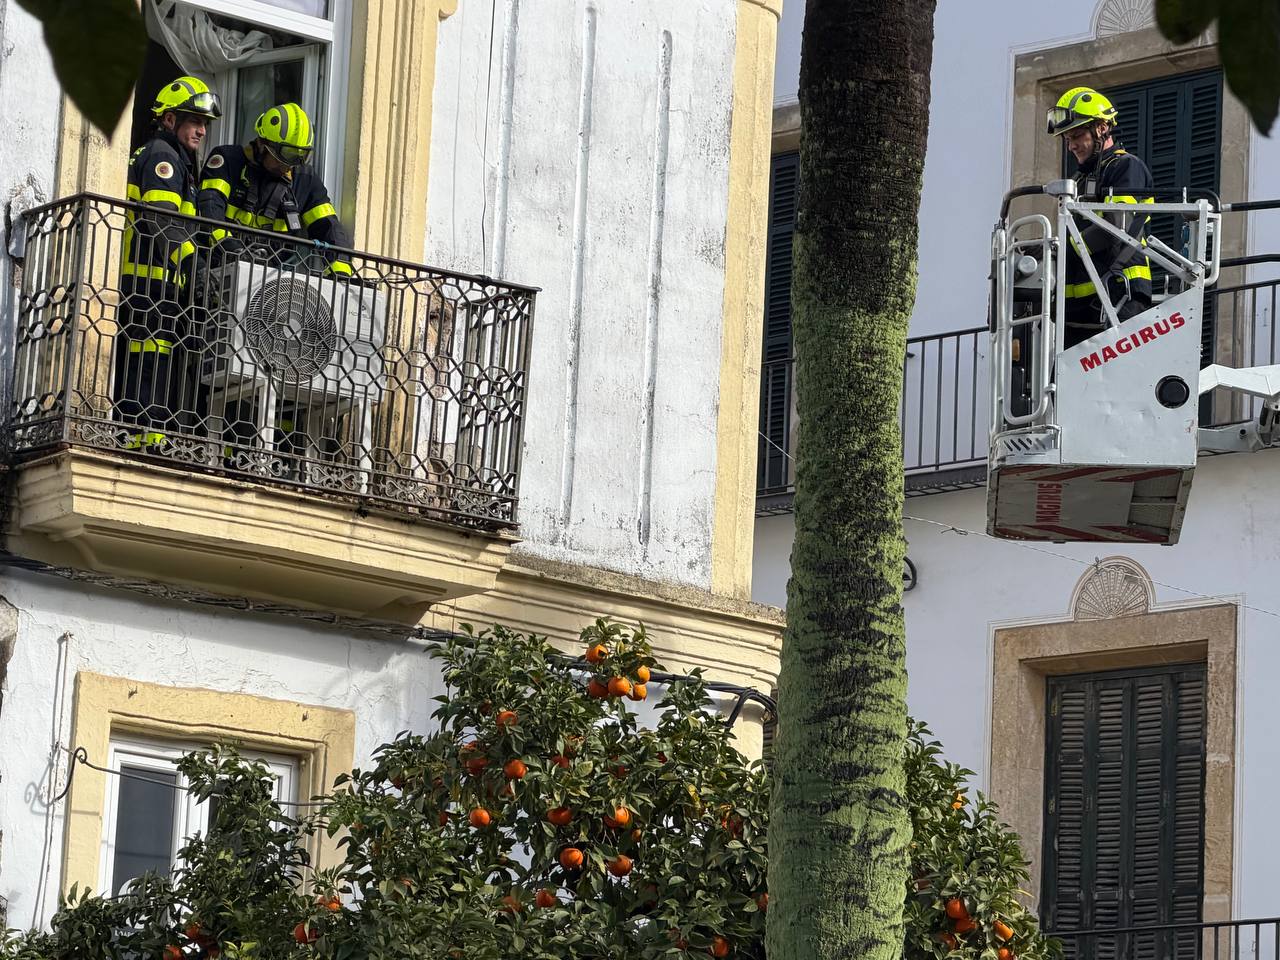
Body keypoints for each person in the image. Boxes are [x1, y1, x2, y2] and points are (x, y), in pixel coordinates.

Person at [117, 75, 221, 450]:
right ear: (169, 119)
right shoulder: (163, 155)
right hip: (149, 281)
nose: (201, 131)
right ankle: (142, 436)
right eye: (194, 122)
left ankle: (149, 433)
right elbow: (163, 220)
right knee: (149, 360)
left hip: (160, 282)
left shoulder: (177, 158)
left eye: (204, 124)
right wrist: (192, 264)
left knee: (158, 359)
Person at [1048, 86, 1155, 347]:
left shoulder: (1125, 166)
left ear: (1102, 128)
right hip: (1079, 311)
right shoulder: (1078, 180)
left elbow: (1116, 226)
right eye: (1067, 139)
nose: (1071, 145)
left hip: (1119, 299)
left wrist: (1062, 249)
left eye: (1077, 135)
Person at [197, 102, 352, 277]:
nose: (289, 166)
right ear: (262, 145)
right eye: (285, 156)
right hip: (218, 274)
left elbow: (329, 228)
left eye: (299, 157)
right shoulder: (228, 161)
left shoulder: (304, 180)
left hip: (273, 288)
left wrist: (342, 274)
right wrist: (234, 251)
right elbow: (209, 211)